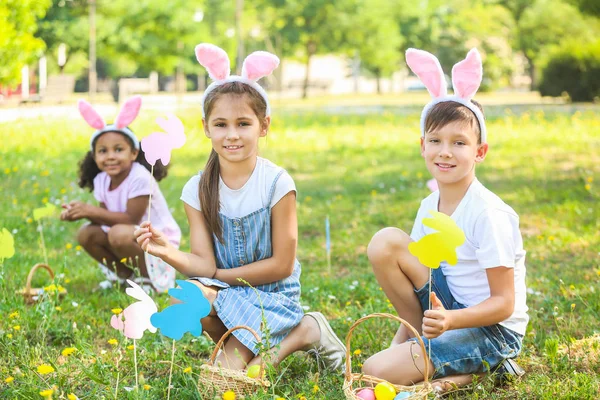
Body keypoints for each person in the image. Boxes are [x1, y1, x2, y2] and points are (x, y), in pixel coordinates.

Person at [134, 43, 345, 372]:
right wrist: (165, 252)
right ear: (205, 127)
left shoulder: (277, 184)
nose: (231, 135)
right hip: (226, 292)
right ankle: (253, 346)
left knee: (240, 377)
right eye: (220, 125)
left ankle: (303, 331)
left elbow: (282, 265)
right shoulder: (198, 189)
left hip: (273, 297)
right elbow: (202, 263)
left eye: (243, 124)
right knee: (184, 296)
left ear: (263, 126)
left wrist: (218, 281)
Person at [362, 48, 528, 391]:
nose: (445, 151)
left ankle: (480, 372)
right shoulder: (429, 205)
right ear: (422, 145)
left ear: (479, 151)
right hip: (448, 308)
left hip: (492, 329)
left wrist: (451, 320)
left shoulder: (488, 214)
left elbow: (504, 303)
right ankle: (419, 347)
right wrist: (405, 341)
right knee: (386, 242)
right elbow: (424, 278)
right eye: (435, 140)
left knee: (374, 369)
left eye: (459, 142)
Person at [61, 96, 181, 293]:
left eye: (118, 149)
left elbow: (130, 219)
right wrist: (77, 212)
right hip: (130, 236)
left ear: (133, 153)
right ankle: (126, 277)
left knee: (118, 234)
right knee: (87, 233)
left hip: (159, 244)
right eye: (102, 151)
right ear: (94, 156)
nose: (110, 156)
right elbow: (104, 220)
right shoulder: (102, 180)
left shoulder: (140, 177)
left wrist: (89, 210)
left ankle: (151, 281)